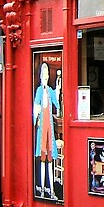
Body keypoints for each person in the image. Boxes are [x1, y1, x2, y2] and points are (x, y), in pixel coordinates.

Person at [33, 61, 61, 199]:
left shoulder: (50, 90)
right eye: (44, 74)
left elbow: (56, 103)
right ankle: (42, 188)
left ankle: (52, 189)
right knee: (43, 158)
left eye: (47, 74)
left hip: (49, 127)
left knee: (50, 159)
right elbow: (36, 107)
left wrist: (58, 89)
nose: (46, 76)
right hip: (42, 127)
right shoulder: (39, 90)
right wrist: (36, 117)